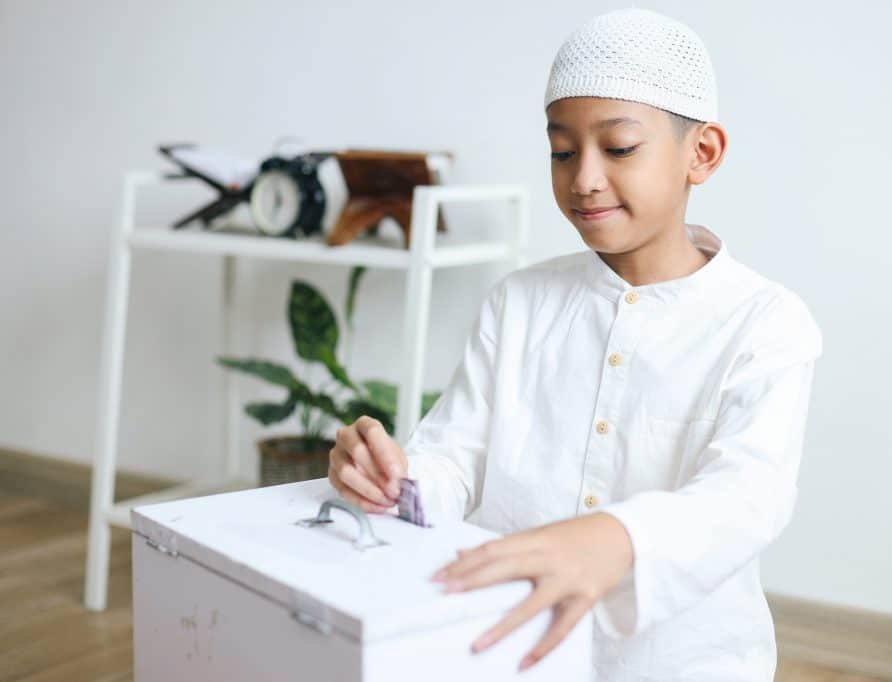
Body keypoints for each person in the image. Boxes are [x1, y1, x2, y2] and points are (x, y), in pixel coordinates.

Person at [328, 7, 823, 681]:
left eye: (618, 148)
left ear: (700, 153)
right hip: (512, 650)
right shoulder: (519, 302)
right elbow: (454, 457)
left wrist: (619, 538)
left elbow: (749, 494)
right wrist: (394, 479)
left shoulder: (764, 321)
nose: (584, 178)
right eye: (562, 151)